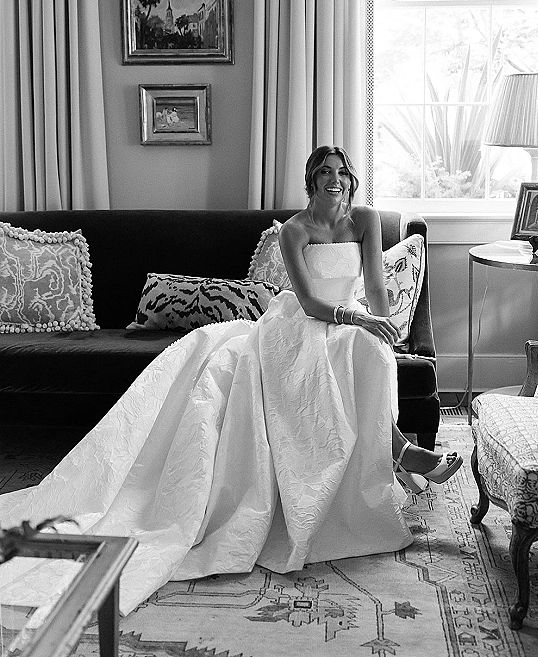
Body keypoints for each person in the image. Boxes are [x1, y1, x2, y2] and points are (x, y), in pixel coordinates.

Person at [0, 146, 462, 618]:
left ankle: (396, 451)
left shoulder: (363, 220)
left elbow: (377, 285)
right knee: (333, 353)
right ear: (310, 181)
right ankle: (403, 453)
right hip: (302, 324)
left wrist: (383, 327)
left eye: (342, 172)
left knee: (369, 352)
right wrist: (355, 321)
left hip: (351, 321)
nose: (335, 180)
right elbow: (308, 302)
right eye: (324, 173)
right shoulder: (295, 231)